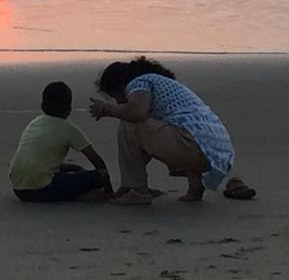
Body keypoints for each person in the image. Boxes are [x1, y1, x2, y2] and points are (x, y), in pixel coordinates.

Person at [88, 56, 256, 205]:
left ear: (120, 86)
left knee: (130, 124)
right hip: (217, 153)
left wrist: (107, 109)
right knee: (168, 126)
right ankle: (195, 184)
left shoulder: (139, 82)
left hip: (191, 145)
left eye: (114, 96)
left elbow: (136, 113)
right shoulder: (167, 87)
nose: (118, 101)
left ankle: (136, 189)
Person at [9, 81, 113, 202]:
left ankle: (71, 194)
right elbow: (96, 160)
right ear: (68, 108)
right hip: (44, 187)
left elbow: (38, 158)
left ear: (42, 105)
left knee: (72, 168)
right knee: (101, 175)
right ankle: (81, 196)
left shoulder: (34, 123)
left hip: (20, 190)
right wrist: (109, 189)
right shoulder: (69, 128)